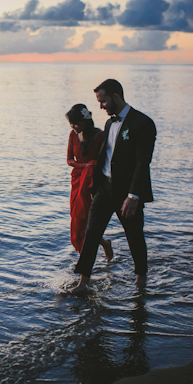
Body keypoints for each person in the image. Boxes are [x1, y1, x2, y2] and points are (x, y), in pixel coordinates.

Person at [71, 79, 157, 293]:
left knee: (134, 235)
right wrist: (94, 187)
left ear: (116, 97)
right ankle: (83, 283)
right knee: (91, 234)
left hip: (127, 193)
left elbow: (142, 163)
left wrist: (134, 196)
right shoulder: (109, 124)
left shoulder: (142, 123)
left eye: (103, 101)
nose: (100, 107)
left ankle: (140, 281)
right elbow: (105, 156)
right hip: (104, 189)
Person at [66, 104, 114, 265]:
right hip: (77, 179)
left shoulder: (99, 136)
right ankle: (103, 244)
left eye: (76, 123)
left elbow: (104, 161)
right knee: (77, 217)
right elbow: (69, 160)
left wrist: (92, 167)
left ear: (86, 121)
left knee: (87, 218)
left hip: (93, 181)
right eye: (71, 123)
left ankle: (85, 259)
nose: (73, 126)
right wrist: (84, 166)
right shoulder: (73, 135)